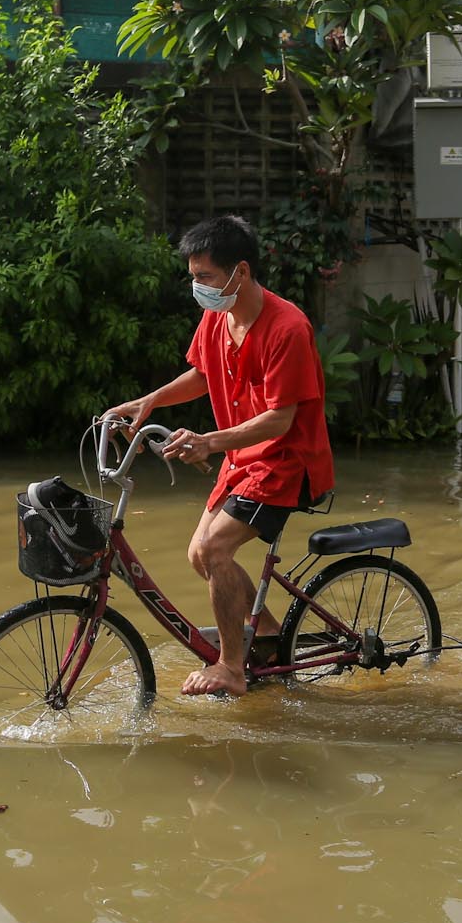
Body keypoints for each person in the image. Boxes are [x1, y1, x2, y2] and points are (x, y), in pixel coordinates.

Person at [106, 215, 333, 697]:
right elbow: (202, 375)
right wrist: (150, 401)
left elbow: (280, 420)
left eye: (205, 276)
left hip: (285, 462)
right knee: (198, 555)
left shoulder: (287, 327)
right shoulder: (217, 317)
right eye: (194, 277)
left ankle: (231, 667)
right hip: (242, 459)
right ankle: (270, 635)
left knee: (215, 550)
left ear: (241, 272)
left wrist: (208, 441)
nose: (198, 287)